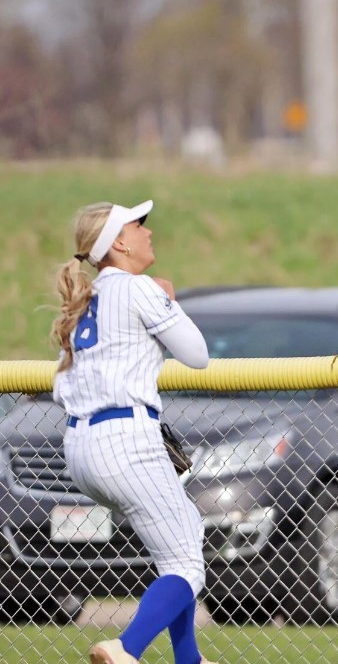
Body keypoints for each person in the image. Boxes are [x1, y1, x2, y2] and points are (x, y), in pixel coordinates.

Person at [50, 200, 214, 664]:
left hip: (81, 447)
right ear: (119, 243)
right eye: (138, 225)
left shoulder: (84, 299)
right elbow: (197, 354)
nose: (147, 231)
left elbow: (60, 389)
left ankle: (189, 658)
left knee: (178, 547)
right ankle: (126, 647)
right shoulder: (138, 289)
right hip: (126, 441)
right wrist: (168, 301)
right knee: (186, 562)